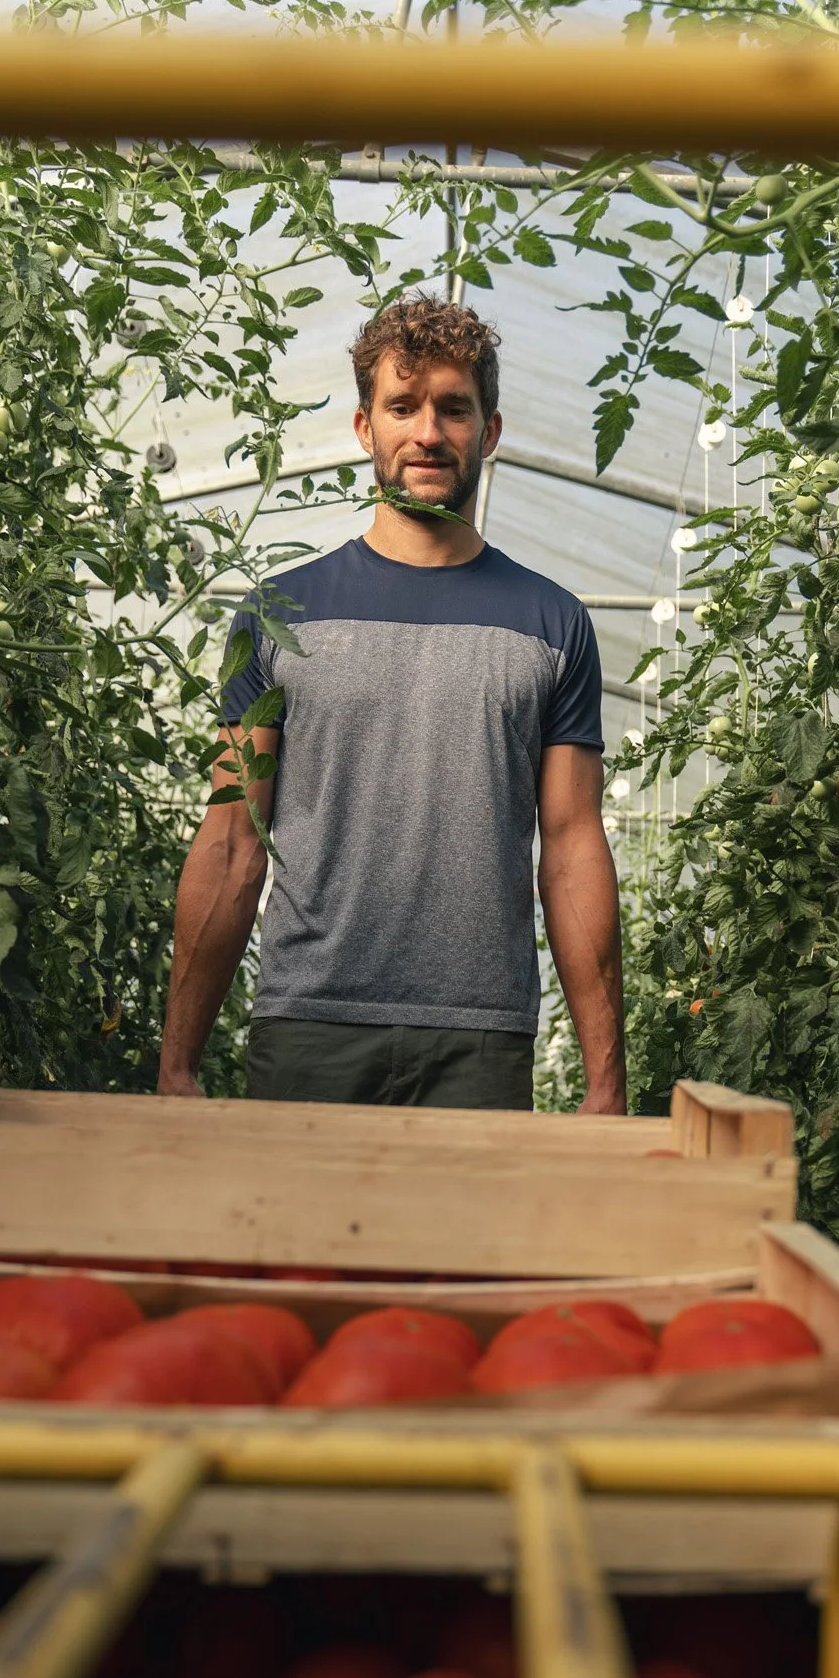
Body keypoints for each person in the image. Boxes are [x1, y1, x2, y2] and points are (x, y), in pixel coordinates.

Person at [157, 293, 626, 1113]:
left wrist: (604, 1083)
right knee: (292, 1246)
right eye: (401, 407)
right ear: (364, 428)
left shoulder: (552, 622)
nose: (428, 433)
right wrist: (177, 1064)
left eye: (453, 408)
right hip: (309, 1024)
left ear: (490, 430)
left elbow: (572, 847)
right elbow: (232, 841)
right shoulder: (278, 613)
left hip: (481, 1039)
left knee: (469, 1250)